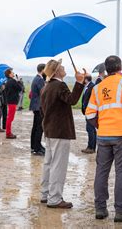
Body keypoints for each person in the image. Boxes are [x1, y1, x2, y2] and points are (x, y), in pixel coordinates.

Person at [86, 55, 122, 222]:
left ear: (106, 69)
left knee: (101, 172)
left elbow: (89, 114)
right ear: (120, 68)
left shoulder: (97, 88)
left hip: (103, 136)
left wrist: (101, 126)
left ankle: (100, 209)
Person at [40, 59, 85, 209]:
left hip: (50, 129)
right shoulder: (60, 85)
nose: (64, 68)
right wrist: (79, 83)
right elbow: (72, 100)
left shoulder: (47, 86)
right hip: (60, 130)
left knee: (49, 163)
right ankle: (54, 198)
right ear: (57, 71)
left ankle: (45, 194)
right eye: (62, 66)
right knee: (58, 165)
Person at [29, 63, 46, 155]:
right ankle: (37, 148)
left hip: (36, 106)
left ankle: (35, 145)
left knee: (35, 127)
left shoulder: (37, 78)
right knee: (39, 128)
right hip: (38, 106)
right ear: (43, 70)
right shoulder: (39, 80)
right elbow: (43, 92)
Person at [4, 69, 23, 139]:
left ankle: (8, 132)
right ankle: (8, 133)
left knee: (9, 117)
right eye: (12, 72)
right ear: (9, 74)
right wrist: (18, 81)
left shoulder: (7, 81)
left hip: (9, 100)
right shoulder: (12, 81)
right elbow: (20, 88)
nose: (13, 73)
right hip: (12, 101)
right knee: (10, 118)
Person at [81, 74, 97, 154]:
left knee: (90, 129)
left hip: (91, 111)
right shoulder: (87, 86)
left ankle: (91, 147)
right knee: (91, 129)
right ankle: (91, 147)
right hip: (87, 111)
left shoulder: (92, 87)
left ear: (86, 79)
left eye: (83, 79)